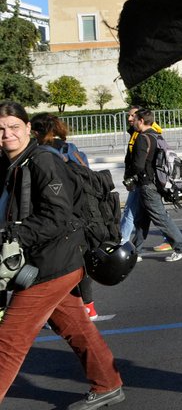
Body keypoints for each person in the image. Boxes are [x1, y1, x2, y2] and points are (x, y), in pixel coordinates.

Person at [0, 101, 125, 408]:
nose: (7, 135)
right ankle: (108, 384)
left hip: (53, 262)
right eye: (0, 129)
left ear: (29, 128)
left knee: (10, 339)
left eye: (14, 127)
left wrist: (12, 235)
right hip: (39, 260)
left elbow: (58, 217)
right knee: (75, 325)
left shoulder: (43, 161)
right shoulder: (11, 164)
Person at [28, 113, 101, 320]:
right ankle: (88, 307)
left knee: (54, 265)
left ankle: (55, 313)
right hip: (82, 212)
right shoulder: (73, 150)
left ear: (34, 132)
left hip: (58, 215)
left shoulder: (41, 154)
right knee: (80, 261)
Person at [126, 109, 182, 263]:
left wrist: (129, 175)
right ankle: (136, 251)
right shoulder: (156, 136)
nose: (133, 121)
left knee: (161, 217)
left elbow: (138, 165)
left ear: (141, 120)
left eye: (135, 119)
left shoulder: (142, 138)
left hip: (147, 184)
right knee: (142, 219)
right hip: (155, 183)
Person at [118, 105, 170, 252]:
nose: (129, 118)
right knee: (147, 214)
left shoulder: (145, 134)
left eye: (132, 116)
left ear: (140, 119)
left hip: (142, 179)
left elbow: (139, 161)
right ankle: (135, 246)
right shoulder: (135, 133)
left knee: (132, 211)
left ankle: (123, 241)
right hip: (142, 179)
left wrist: (130, 176)